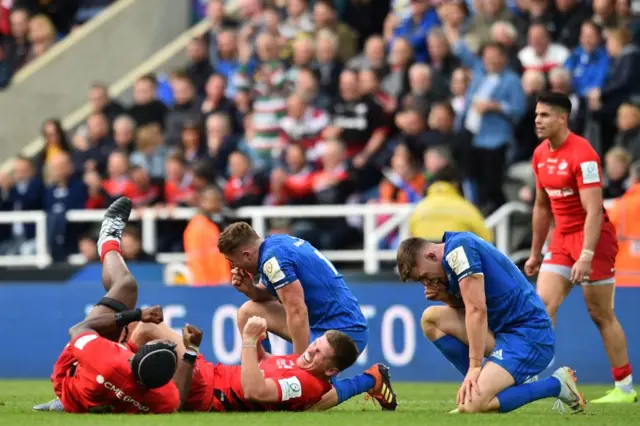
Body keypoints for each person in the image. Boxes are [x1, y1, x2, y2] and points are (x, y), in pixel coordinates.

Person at [33, 197, 200, 413]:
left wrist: (136, 314)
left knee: (127, 286)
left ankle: (108, 240)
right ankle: (69, 402)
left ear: (132, 358)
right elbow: (176, 400)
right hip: (87, 393)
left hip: (68, 375)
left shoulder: (110, 358)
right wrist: (191, 352)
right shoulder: (163, 399)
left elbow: (78, 330)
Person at [525, 92, 637, 403]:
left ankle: (625, 388)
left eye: (545, 115)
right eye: (536, 114)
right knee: (541, 306)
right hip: (561, 238)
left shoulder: (583, 155)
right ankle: (531, 375)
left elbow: (593, 210)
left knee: (600, 313)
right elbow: (541, 206)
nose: (537, 120)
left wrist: (586, 255)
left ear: (563, 118)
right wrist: (536, 252)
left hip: (594, 238)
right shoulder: (539, 155)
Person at [396, 233, 585, 414]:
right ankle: (482, 388)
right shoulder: (451, 261)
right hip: (502, 333)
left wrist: (474, 367)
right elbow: (469, 307)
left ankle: (556, 384)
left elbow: (477, 310)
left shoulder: (459, 250)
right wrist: (445, 297)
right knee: (431, 319)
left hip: (529, 335)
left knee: (471, 406)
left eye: (423, 276)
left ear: (430, 255)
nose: (426, 283)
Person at [216, 222, 396, 409]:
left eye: (233, 261)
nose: (234, 266)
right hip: (320, 325)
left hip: (345, 332)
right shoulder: (274, 246)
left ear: (247, 254)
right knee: (249, 311)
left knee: (303, 403)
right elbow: (271, 294)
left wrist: (297, 369)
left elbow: (297, 311)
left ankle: (370, 379)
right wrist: (251, 290)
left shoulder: (272, 259)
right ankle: (262, 374)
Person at [126, 316, 396, 412]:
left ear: (330, 371)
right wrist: (257, 346)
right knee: (147, 326)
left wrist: (247, 340)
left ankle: (110, 373)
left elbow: (256, 390)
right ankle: (371, 379)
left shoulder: (303, 383)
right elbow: (266, 364)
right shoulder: (303, 364)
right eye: (315, 344)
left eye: (318, 352)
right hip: (210, 372)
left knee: (147, 343)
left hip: (206, 390)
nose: (309, 351)